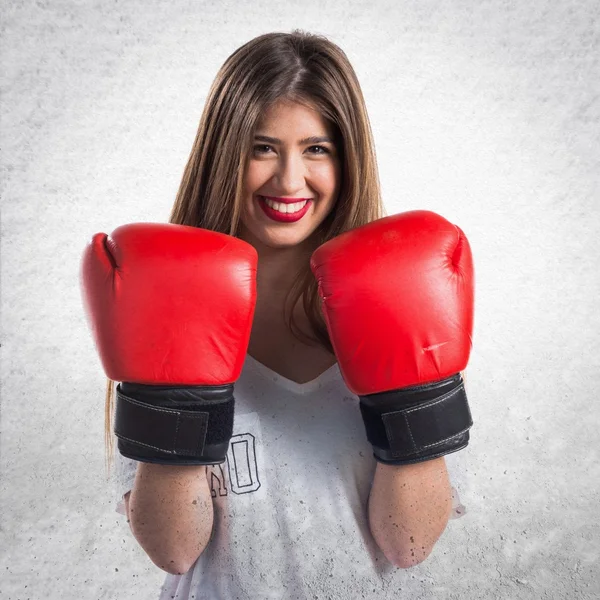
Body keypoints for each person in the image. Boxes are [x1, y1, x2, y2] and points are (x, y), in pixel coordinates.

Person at [81, 30, 474, 600]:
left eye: (317, 149)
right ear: (224, 156)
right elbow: (173, 548)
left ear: (347, 160)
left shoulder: (405, 296)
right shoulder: (159, 298)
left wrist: (406, 396)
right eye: (261, 148)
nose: (289, 180)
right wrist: (176, 395)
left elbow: (407, 543)